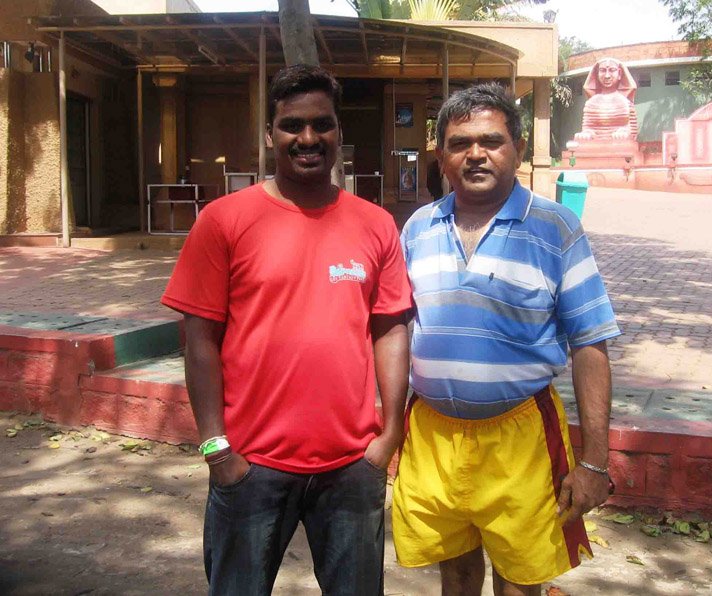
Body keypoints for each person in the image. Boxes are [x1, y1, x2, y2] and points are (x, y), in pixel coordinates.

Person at [162, 64, 412, 595]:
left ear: (339, 131)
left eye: (322, 124)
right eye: (292, 125)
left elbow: (391, 330)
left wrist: (390, 435)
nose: (308, 138)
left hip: (352, 465)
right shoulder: (224, 220)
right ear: (269, 134)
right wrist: (216, 449)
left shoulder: (375, 225)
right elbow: (199, 341)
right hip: (250, 466)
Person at [393, 83, 621, 595]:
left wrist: (594, 462)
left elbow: (591, 344)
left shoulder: (556, 228)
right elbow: (396, 332)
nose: (476, 154)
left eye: (491, 141)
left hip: (522, 436)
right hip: (432, 434)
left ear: (518, 149)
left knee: (520, 578)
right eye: (460, 143)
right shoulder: (418, 228)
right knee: (455, 572)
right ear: (441, 156)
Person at [574, 57, 638, 141]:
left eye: (612, 70)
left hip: (619, 145)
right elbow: (588, 128)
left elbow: (633, 131)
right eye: (603, 70)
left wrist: (624, 132)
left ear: (619, 73)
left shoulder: (625, 102)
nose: (607, 76)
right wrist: (586, 134)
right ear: (597, 74)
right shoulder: (591, 103)